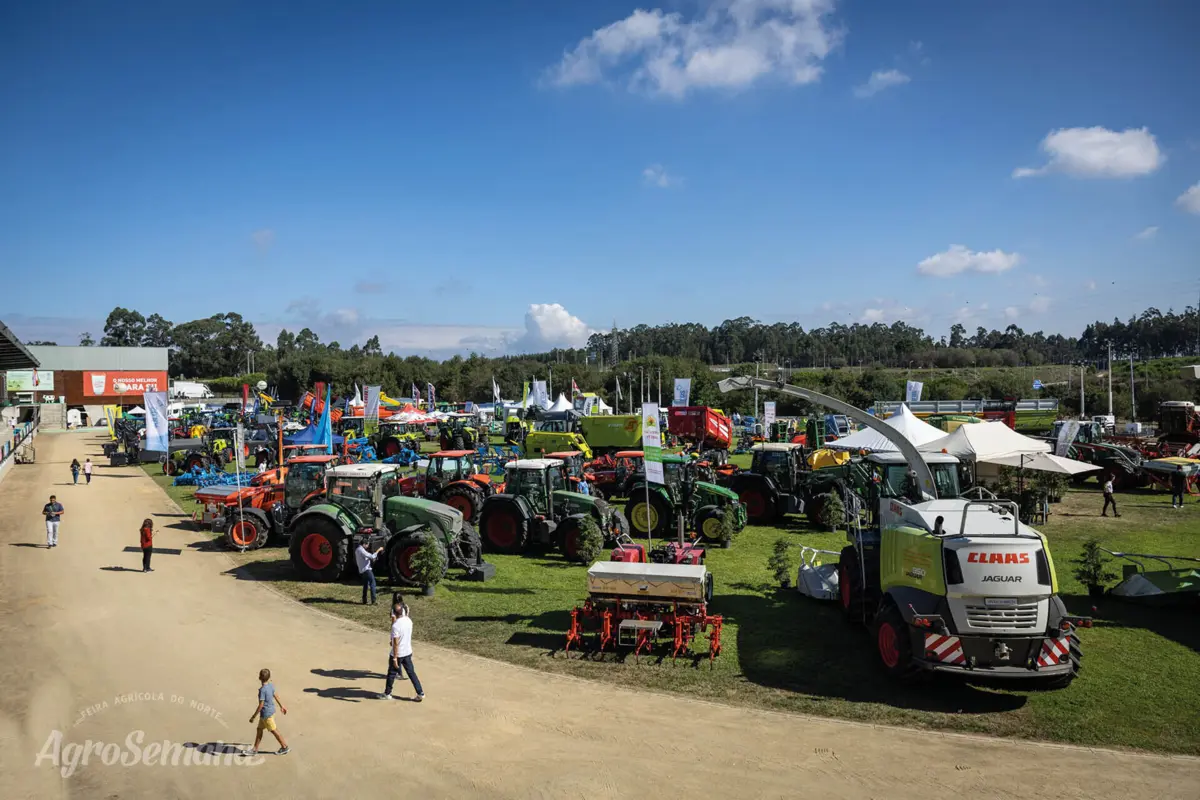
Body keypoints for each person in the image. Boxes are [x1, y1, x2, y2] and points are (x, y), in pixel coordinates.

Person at [381, 598, 424, 702]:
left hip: (398, 653)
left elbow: (395, 644)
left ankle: (387, 693)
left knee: (391, 674)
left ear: (394, 613)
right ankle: (420, 693)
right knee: (411, 673)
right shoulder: (409, 621)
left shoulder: (396, 626)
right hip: (407, 652)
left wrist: (395, 658)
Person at [248, 668, 289, 756]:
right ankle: (255, 749)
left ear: (259, 678)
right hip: (270, 712)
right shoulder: (271, 685)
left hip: (266, 715)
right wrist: (282, 706)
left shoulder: (262, 690)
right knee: (259, 729)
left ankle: (284, 747)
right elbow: (276, 695)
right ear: (269, 677)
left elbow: (261, 705)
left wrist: (253, 717)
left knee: (274, 730)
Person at [355, 541, 383, 605]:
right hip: (367, 570)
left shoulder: (357, 550)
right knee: (373, 583)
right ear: (364, 544)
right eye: (367, 544)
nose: (368, 546)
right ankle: (373, 600)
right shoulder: (361, 550)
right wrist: (378, 550)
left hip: (362, 570)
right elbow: (372, 556)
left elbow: (364, 558)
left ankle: (364, 600)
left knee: (365, 585)